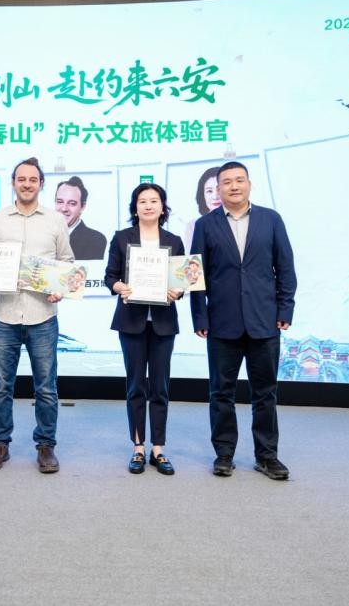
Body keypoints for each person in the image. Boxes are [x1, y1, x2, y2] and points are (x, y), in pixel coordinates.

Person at [190, 161, 296, 480]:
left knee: (265, 393)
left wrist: (285, 309)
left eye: (239, 180)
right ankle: (224, 454)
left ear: (249, 184)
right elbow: (196, 275)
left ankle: (267, 456)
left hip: (265, 321)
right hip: (221, 323)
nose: (234, 186)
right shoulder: (205, 225)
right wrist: (199, 315)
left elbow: (285, 267)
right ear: (218, 189)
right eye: (227, 182)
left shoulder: (271, 219)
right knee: (221, 392)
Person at [0, 157, 73, 473]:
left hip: (42, 314)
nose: (27, 184)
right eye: (22, 179)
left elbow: (66, 261)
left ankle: (46, 446)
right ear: (13, 183)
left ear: (41, 184)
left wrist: (59, 287)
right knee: (0, 386)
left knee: (46, 387)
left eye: (33, 179)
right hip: (4, 313)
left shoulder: (55, 220)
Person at [104, 183, 185, 475]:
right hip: (131, 322)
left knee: (160, 387)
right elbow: (109, 277)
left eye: (154, 201)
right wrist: (120, 286)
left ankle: (158, 449)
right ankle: (138, 447)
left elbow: (182, 279)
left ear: (163, 208)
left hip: (163, 323)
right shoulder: (121, 238)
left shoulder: (174, 241)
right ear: (135, 208)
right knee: (136, 385)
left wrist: (178, 290)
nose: (148, 206)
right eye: (142, 201)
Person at [55, 176, 106, 260]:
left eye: (72, 203)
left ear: (82, 207)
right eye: (60, 202)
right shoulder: (44, 234)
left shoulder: (95, 239)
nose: (64, 209)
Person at [183, 166, 223, 253]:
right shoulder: (193, 225)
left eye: (219, 190)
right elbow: (192, 259)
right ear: (203, 195)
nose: (215, 196)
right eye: (209, 191)